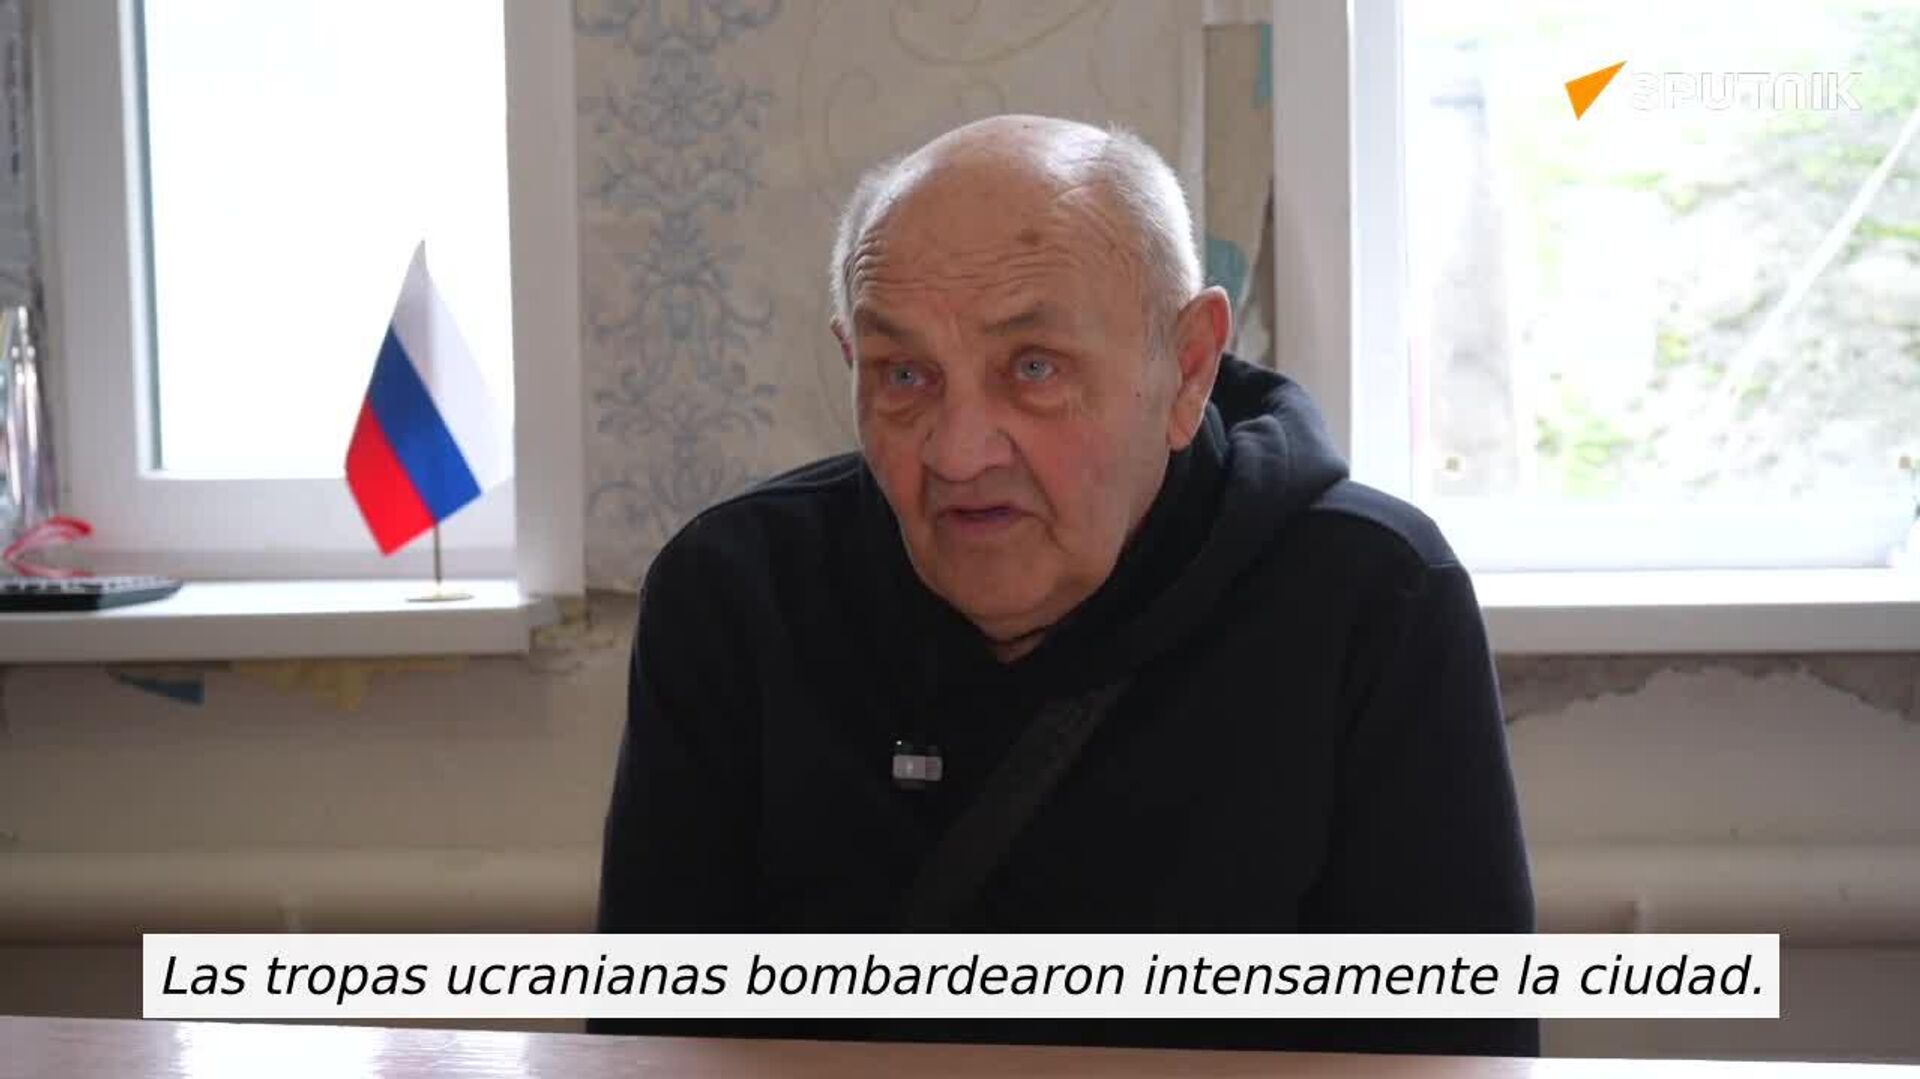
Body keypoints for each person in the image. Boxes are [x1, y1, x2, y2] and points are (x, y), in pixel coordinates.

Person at [594, 114, 1535, 1056]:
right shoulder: (736, 597)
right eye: (905, 374)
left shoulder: (1371, 599)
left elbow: (1454, 1053)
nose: (960, 453)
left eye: (1033, 368)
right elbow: (651, 1046)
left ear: (1189, 368)